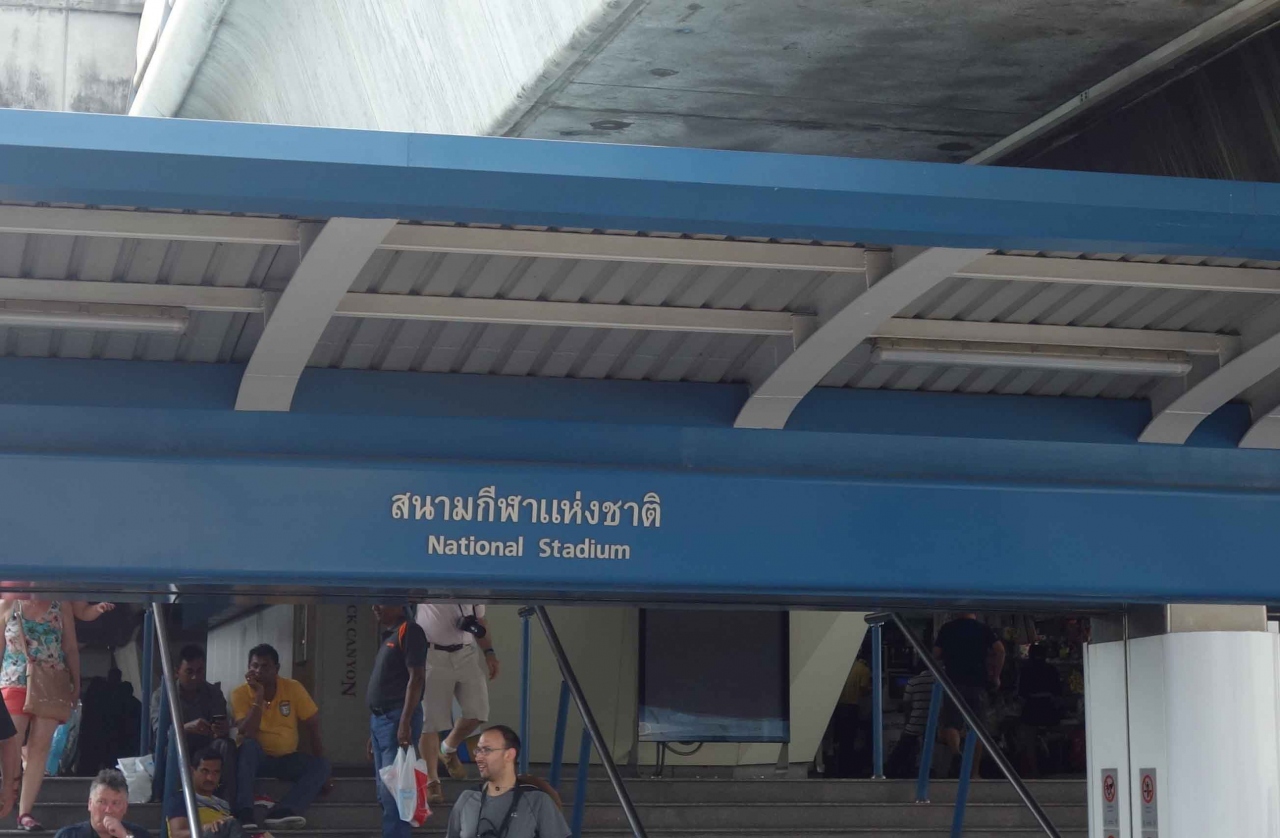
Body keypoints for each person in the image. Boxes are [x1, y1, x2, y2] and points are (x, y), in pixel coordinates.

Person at [0, 598, 83, 832]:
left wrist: (76, 684)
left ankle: (24, 812)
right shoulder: (6, 605)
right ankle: (10, 789)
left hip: (50, 681)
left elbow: (70, 648)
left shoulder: (61, 605)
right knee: (10, 742)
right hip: (13, 679)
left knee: (40, 747)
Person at [230, 645, 331, 831]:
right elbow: (248, 731)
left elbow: (313, 725)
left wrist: (322, 772)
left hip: (286, 759)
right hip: (256, 759)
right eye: (254, 666)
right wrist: (258, 696)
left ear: (276, 668)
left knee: (322, 765)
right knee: (248, 746)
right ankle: (245, 811)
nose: (259, 671)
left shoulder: (293, 687)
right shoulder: (240, 693)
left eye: (265, 666)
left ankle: (284, 811)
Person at [414, 603, 499, 802]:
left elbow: (480, 621)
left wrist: (489, 652)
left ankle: (448, 748)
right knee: (430, 721)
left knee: (478, 712)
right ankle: (432, 781)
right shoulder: (429, 586)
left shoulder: (472, 588)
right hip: (432, 653)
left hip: (466, 653)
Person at [445, 725, 569, 838]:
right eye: (478, 750)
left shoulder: (537, 800)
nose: (478, 757)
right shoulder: (467, 798)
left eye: (486, 750)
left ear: (509, 754)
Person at [366, 604, 426, 838]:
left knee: (395, 793)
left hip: (397, 718)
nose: (375, 607)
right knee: (384, 792)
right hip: (381, 720)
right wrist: (373, 732)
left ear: (399, 604)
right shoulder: (389, 635)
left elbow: (417, 677)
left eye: (382, 602)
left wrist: (405, 721)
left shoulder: (409, 630)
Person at [151, 646, 236, 797]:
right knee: (170, 748)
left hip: (206, 746)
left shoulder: (213, 693)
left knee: (225, 745)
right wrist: (185, 728)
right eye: (189, 672)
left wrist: (221, 729)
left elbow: (220, 726)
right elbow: (160, 733)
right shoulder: (162, 696)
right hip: (177, 746)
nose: (195, 677)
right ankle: (174, 798)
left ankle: (223, 800)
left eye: (200, 671)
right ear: (177, 672)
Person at [933, 613, 1004, 779]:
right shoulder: (983, 629)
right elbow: (1000, 650)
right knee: (977, 728)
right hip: (977, 683)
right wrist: (996, 676)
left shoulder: (947, 628)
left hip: (953, 683)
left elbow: (935, 654)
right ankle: (974, 772)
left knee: (951, 724)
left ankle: (956, 753)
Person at [166, 748, 268, 838]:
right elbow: (177, 834)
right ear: (192, 771)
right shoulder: (183, 799)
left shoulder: (223, 804)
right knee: (230, 824)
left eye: (215, 772)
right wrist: (206, 827)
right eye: (205, 771)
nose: (210, 778)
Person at [53, 769, 151, 838]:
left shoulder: (140, 835)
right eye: (102, 802)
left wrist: (124, 836)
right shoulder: (68, 835)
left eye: (115, 803)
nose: (108, 810)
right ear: (90, 804)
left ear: (125, 807)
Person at [884, 669, 935, 779]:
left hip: (915, 722)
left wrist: (907, 723)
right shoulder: (940, 681)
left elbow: (906, 704)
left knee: (902, 749)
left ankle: (890, 773)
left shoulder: (913, 681)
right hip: (934, 723)